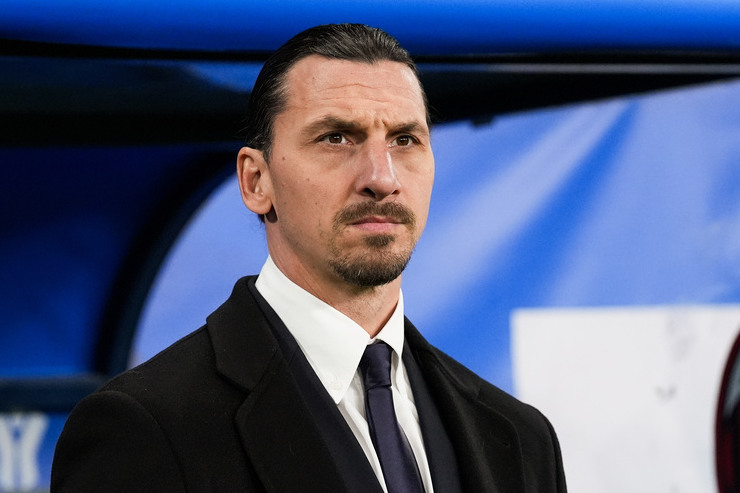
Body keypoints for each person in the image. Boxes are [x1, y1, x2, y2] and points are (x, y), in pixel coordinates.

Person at [51, 23, 567, 492]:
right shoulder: (145, 429)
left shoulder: (522, 438)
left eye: (405, 139)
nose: (382, 178)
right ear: (256, 181)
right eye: (336, 138)